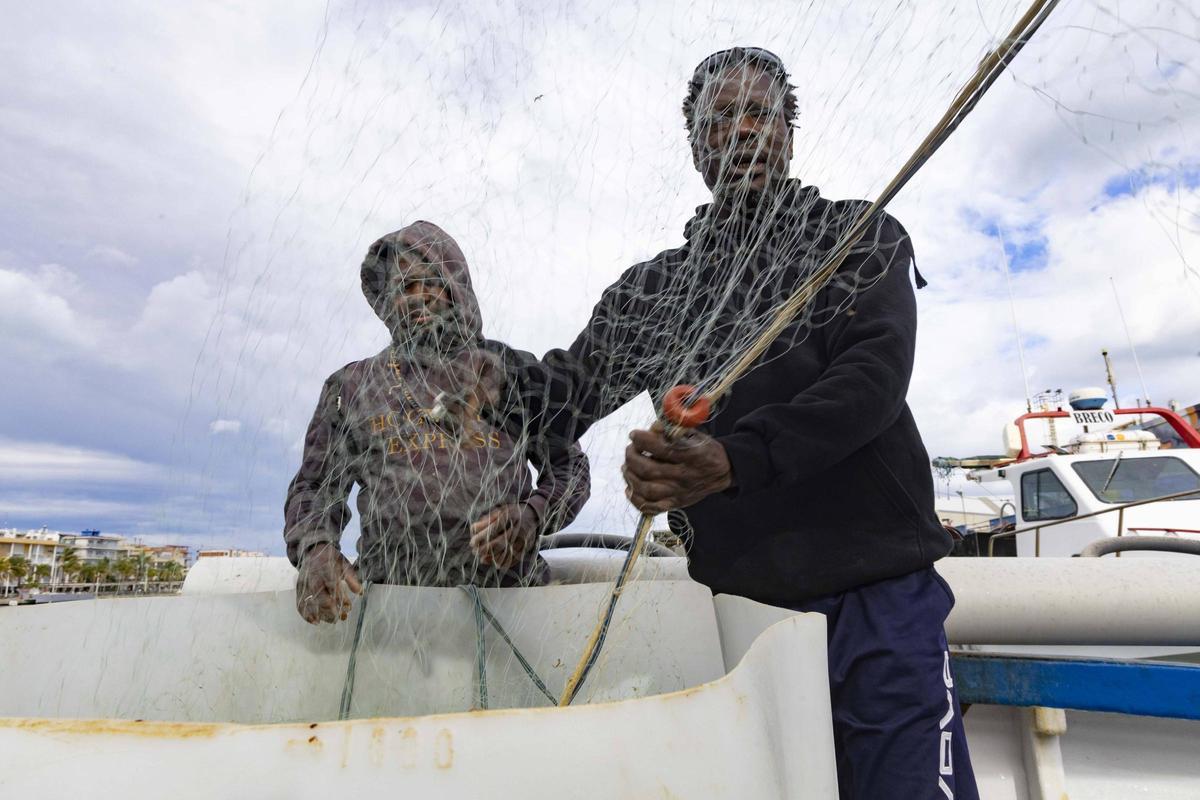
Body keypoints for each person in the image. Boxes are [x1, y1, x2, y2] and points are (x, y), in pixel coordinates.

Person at [514, 48, 976, 799]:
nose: (741, 131)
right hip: (740, 614)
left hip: (878, 599)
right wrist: (465, 376)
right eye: (719, 120)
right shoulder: (653, 292)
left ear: (789, 132)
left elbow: (872, 381)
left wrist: (733, 460)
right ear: (697, 149)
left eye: (759, 113)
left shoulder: (858, 235)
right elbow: (563, 394)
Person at [283, 221, 590, 624]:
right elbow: (314, 487)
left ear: (456, 287)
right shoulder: (352, 386)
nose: (417, 297)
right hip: (391, 608)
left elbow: (569, 467)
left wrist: (533, 516)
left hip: (511, 605)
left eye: (431, 282)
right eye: (404, 287)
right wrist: (316, 549)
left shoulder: (510, 372)